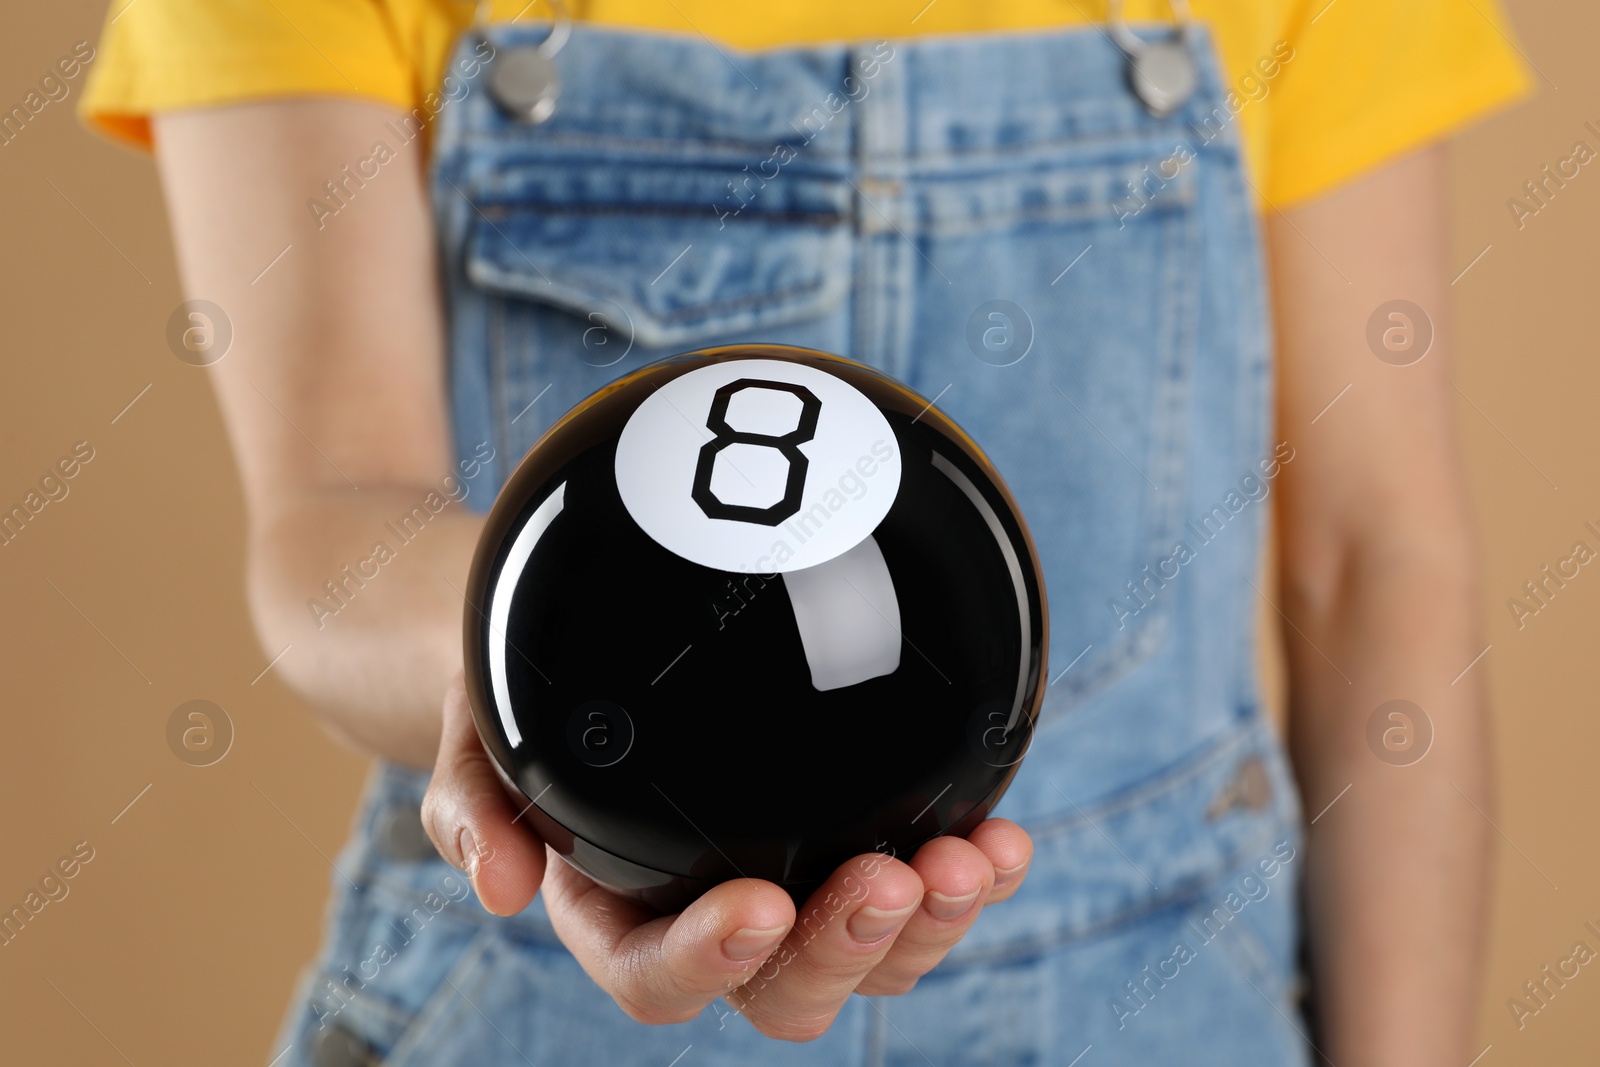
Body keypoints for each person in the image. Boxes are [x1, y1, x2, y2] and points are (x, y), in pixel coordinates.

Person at [82, 1, 1528, 1063]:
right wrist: (505, 666)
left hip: (1159, 1004)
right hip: (536, 977)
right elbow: (332, 524)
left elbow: (1371, 562)